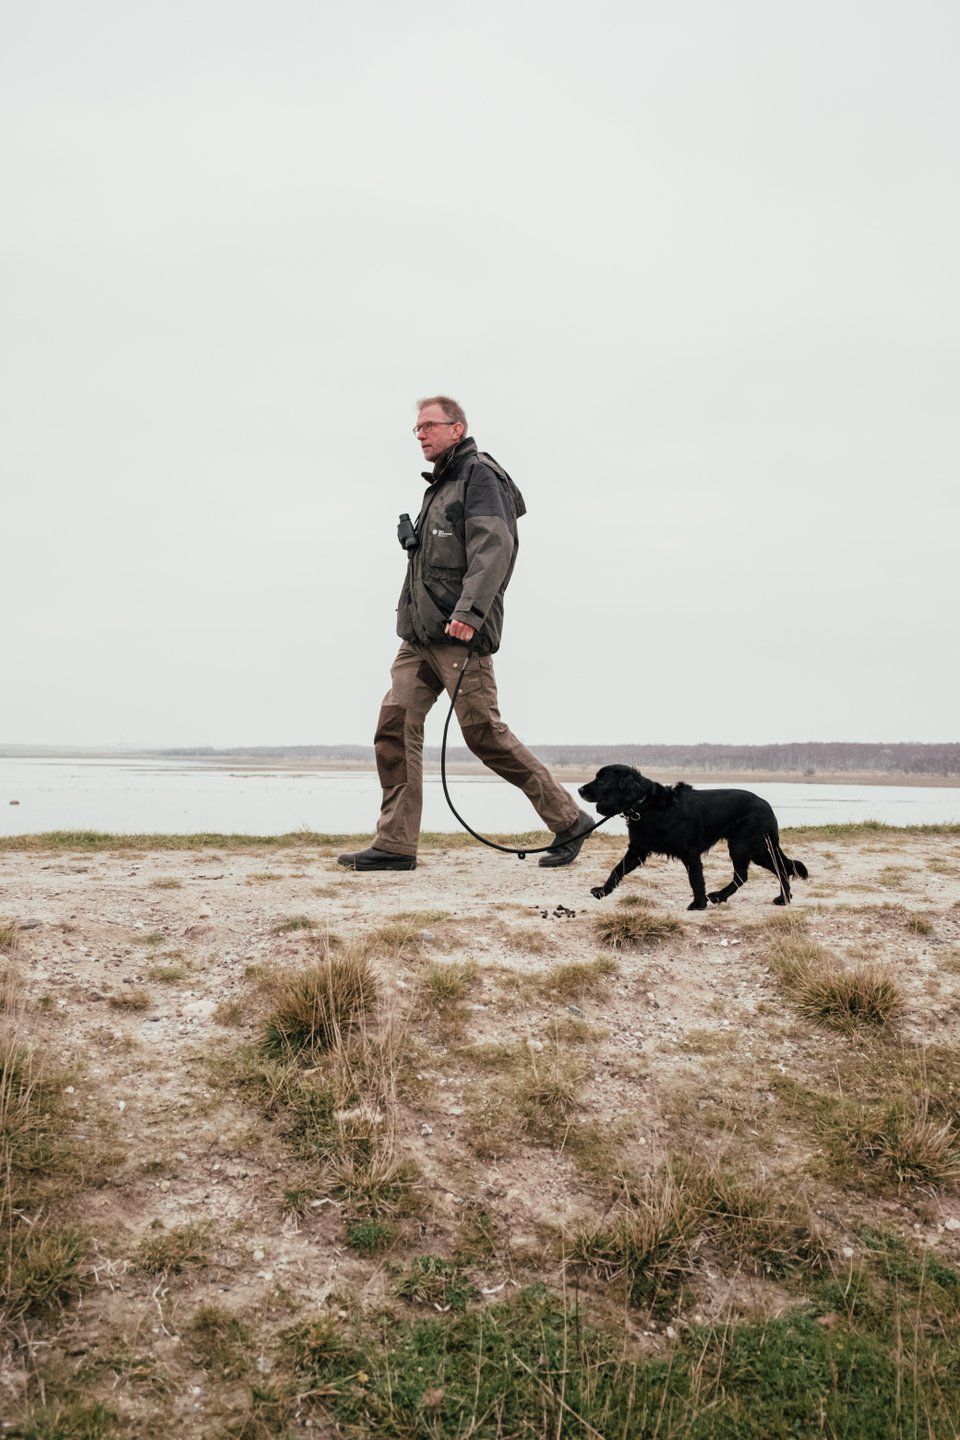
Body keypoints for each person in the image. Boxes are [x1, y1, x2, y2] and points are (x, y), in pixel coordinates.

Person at [338, 396, 594, 873]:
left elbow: (494, 549)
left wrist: (471, 613)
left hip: (458, 634)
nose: (420, 434)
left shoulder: (479, 476)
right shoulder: (440, 484)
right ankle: (394, 845)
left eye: (429, 426)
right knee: (394, 728)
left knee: (484, 734)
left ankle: (569, 820)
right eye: (415, 429)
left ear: (457, 428)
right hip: (418, 635)